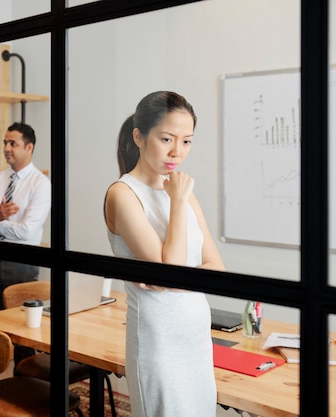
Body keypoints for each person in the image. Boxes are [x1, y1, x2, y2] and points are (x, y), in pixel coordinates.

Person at [104, 91, 225, 417]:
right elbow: (171, 269)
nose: (177, 152)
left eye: (187, 142)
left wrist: (174, 281)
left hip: (196, 336)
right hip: (158, 340)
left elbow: (217, 269)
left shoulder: (181, 190)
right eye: (167, 138)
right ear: (139, 137)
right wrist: (177, 203)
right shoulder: (123, 193)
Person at [0, 122, 51, 389]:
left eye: (13, 143)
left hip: (22, 267)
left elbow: (28, 232)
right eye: (5, 143)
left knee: (23, 339)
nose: (7, 148)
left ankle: (24, 394)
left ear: (29, 147)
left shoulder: (40, 184)